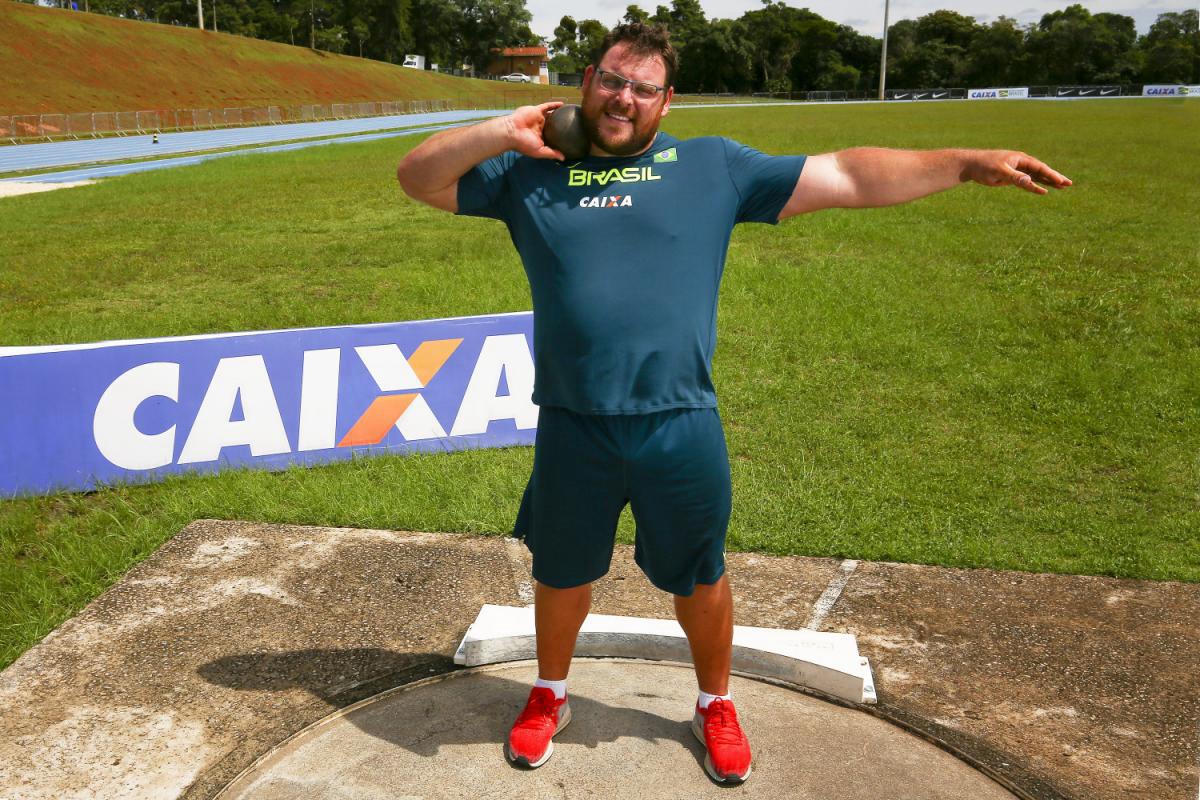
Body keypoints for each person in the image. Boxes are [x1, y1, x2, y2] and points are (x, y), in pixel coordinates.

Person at [396, 22, 1070, 785]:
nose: (625, 98)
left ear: (666, 102)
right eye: (613, 80)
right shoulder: (531, 171)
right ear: (586, 82)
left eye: (643, 88)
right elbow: (417, 176)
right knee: (559, 571)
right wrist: (501, 130)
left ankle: (714, 702)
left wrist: (965, 163)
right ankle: (550, 693)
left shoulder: (711, 165)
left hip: (678, 420)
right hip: (573, 420)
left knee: (700, 573)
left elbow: (847, 174)